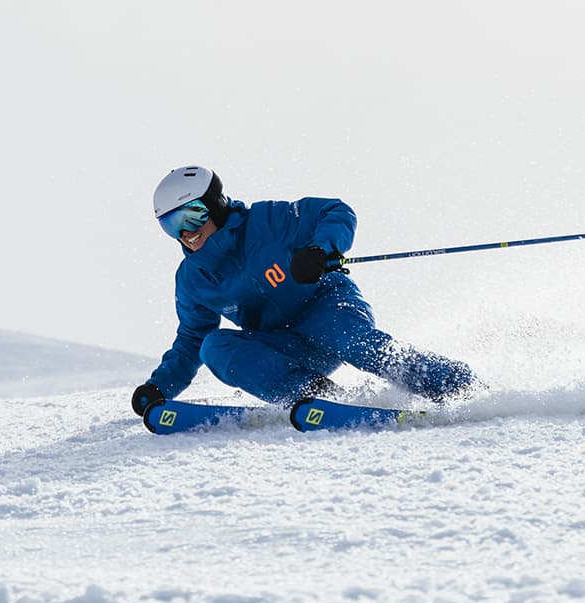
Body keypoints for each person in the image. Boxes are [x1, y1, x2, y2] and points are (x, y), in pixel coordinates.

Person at [131, 166, 476, 418]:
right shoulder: (194, 278)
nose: (186, 233)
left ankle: (458, 386)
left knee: (356, 344)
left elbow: (334, 211)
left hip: (327, 309)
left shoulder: (268, 221)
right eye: (171, 225)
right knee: (214, 347)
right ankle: (317, 395)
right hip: (281, 344)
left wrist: (319, 250)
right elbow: (191, 341)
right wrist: (159, 387)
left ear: (216, 205)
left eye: (192, 217)